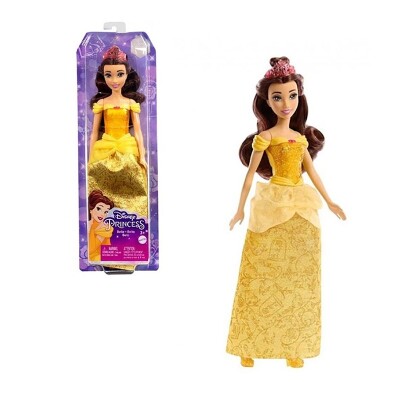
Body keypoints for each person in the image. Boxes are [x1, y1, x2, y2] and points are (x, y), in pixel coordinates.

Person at [226, 57, 346, 368]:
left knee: (299, 276)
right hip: (272, 203)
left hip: (301, 206)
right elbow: (249, 176)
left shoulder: (300, 138)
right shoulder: (265, 138)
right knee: (260, 274)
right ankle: (248, 345)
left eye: (291, 96)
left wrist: (330, 201)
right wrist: (239, 209)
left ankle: (295, 344)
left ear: (299, 98)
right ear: (267, 102)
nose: (285, 103)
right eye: (277, 97)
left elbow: (312, 173)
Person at [87, 45, 148, 270]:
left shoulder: (131, 104)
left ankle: (129, 251)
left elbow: (138, 132)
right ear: (103, 77)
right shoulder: (101, 104)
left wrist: (143, 157)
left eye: (119, 74)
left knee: (133, 189)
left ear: (127, 75)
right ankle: (103, 250)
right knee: (103, 191)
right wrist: (90, 159)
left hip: (126, 147)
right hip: (105, 148)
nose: (114, 80)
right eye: (109, 75)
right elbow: (94, 132)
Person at [88, 190, 114, 262]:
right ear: (91, 209)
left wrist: (93, 228)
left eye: (106, 212)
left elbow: (91, 249)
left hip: (98, 259)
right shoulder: (84, 224)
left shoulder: (104, 229)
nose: (102, 214)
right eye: (99, 209)